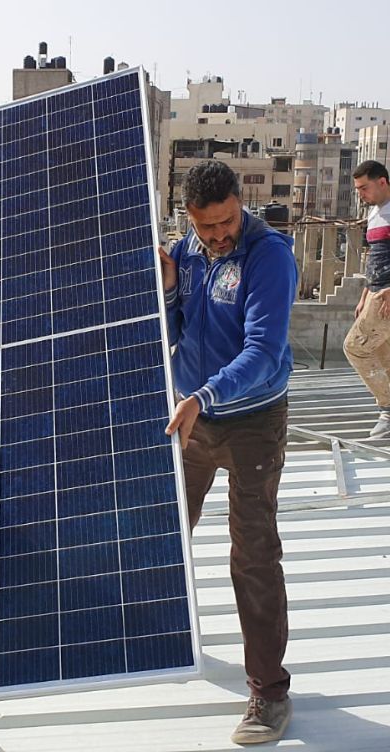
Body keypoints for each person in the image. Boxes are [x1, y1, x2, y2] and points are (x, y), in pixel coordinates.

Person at [159, 161, 298, 744]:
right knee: (163, 529)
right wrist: (167, 291)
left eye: (225, 223)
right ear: (189, 218)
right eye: (205, 227)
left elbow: (264, 350)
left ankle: (268, 692)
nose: (217, 236)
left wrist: (205, 395)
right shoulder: (184, 253)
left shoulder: (269, 257)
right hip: (191, 419)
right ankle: (146, 639)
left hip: (251, 422)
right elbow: (170, 326)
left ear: (241, 203)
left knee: (253, 554)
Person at [343, 160, 390, 438]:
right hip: (376, 292)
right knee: (383, 352)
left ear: (382, 182)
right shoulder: (375, 213)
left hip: (387, 294)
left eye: (364, 188)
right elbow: (373, 257)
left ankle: (387, 406)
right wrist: (365, 293)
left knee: (355, 347)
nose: (360, 194)